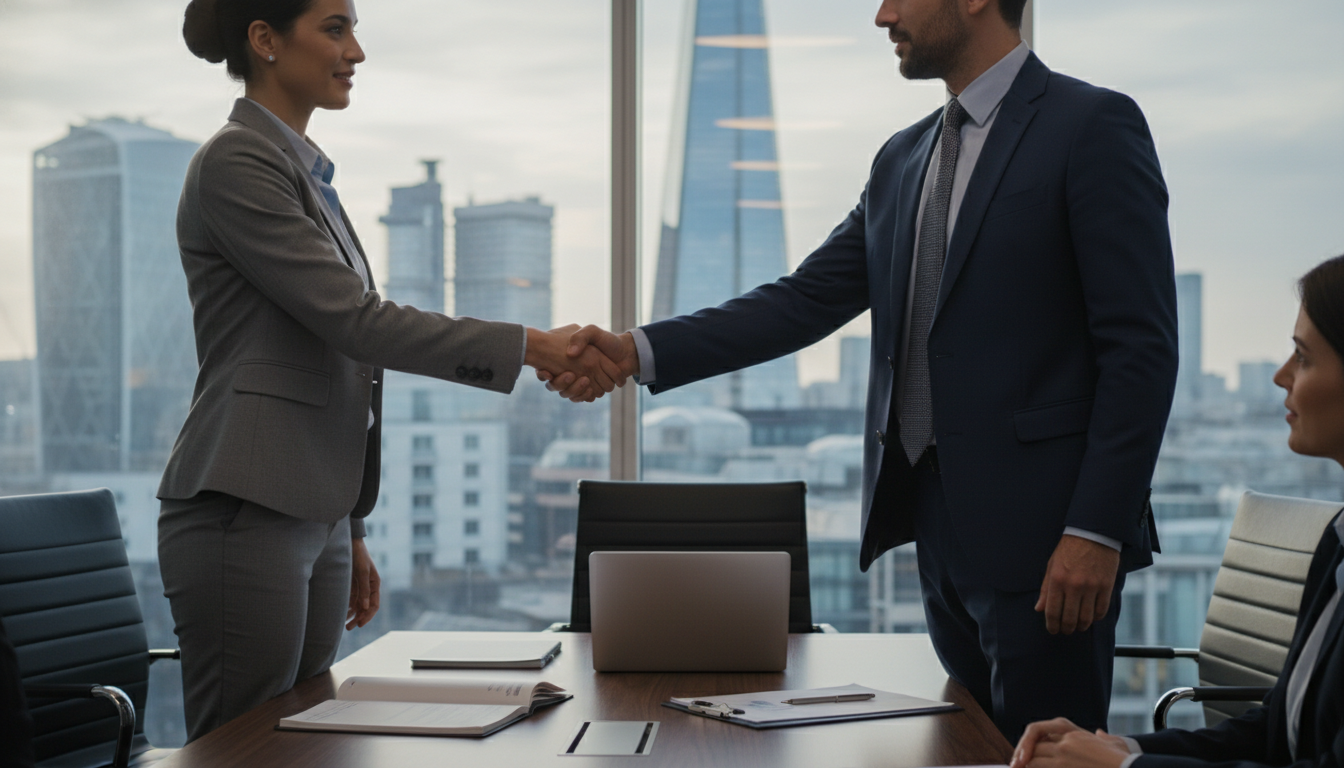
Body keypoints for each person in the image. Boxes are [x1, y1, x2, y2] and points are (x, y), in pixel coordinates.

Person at [543, 0, 1178, 741]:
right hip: (937, 527)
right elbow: (804, 301)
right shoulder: (904, 158)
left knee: (1053, 755)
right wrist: (635, 350)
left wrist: (1095, 531)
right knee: (969, 750)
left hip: (1050, 543)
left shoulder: (1091, 126)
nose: (882, 15)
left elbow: (1141, 348)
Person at [161, 0, 622, 741]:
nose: (357, 52)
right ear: (265, 41)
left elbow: (331, 359)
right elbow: (357, 321)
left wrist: (352, 527)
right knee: (239, 746)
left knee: (306, 736)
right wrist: (533, 345)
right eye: (335, 29)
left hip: (311, 510)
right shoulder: (237, 160)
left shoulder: (305, 175)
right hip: (242, 506)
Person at [1011, 255, 1344, 767]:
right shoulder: (1338, 541)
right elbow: (1278, 731)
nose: (1280, 376)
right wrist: (1125, 747)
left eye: (1303, 357)